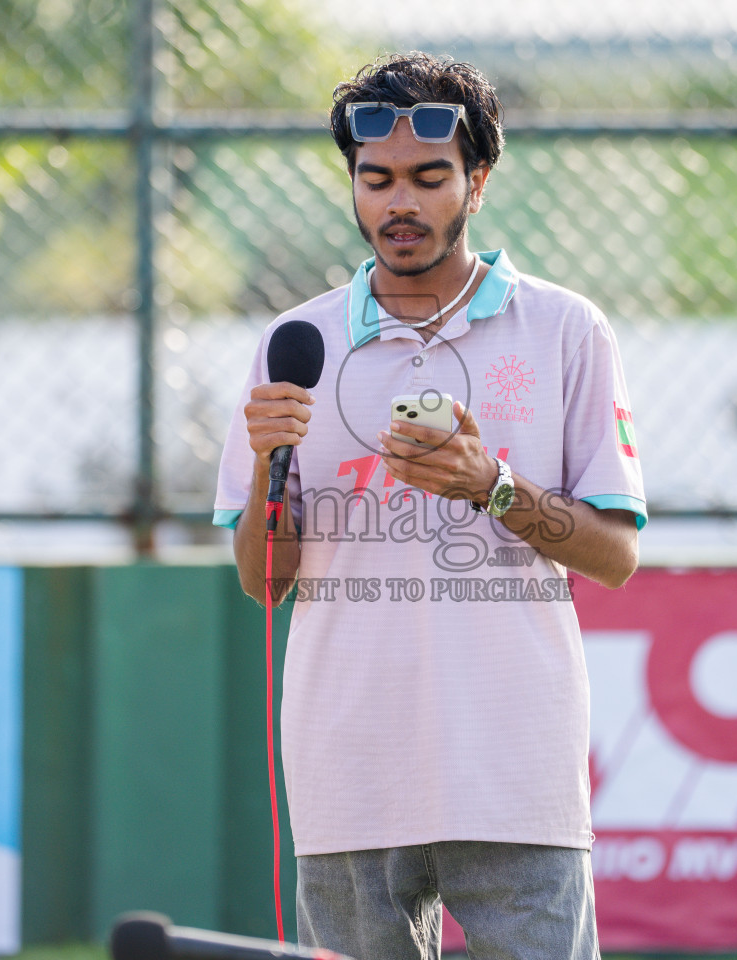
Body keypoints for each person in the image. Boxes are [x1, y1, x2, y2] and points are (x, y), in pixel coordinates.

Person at [215, 52, 645, 960]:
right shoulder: (296, 342)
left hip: (514, 767)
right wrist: (266, 469)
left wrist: (487, 483)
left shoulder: (565, 328)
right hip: (348, 768)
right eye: (376, 180)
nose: (397, 203)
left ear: (477, 183)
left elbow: (613, 555)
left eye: (427, 178)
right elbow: (263, 581)